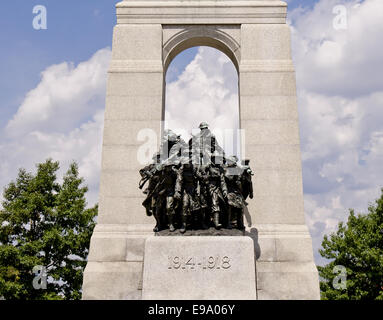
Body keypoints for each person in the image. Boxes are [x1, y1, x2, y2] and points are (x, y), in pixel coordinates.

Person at [223, 155, 247, 230]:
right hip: (229, 190)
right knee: (229, 206)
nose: (228, 162)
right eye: (228, 161)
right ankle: (228, 223)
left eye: (229, 161)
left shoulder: (238, 169)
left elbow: (241, 180)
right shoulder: (225, 169)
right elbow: (225, 179)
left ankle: (240, 224)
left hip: (237, 190)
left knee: (240, 207)